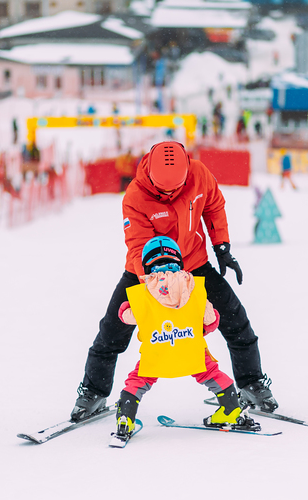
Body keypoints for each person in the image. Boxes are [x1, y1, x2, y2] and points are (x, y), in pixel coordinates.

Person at [71, 141, 278, 422]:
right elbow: (138, 248)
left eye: (176, 188)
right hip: (146, 272)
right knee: (112, 330)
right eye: (163, 189)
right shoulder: (136, 196)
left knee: (235, 320)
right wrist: (162, 286)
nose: (170, 193)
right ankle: (93, 392)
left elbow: (214, 207)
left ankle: (252, 383)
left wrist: (222, 247)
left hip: (195, 264)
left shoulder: (199, 174)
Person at [113, 236, 254, 439]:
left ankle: (126, 416)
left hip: (157, 352)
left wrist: (129, 307)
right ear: (178, 261)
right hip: (191, 351)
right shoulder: (193, 288)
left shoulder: (144, 293)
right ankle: (231, 409)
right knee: (211, 373)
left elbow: (126, 316)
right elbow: (211, 320)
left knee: (139, 379)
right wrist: (199, 328)